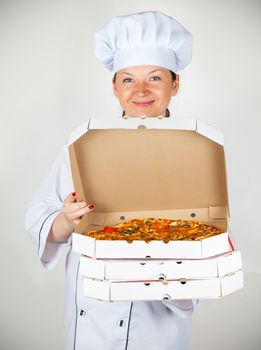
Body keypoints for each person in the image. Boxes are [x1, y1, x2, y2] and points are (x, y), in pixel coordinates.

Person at [25, 11, 197, 350]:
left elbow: (206, 238)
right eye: (128, 80)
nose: (141, 90)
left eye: (155, 78)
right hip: (90, 322)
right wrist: (66, 219)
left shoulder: (195, 152)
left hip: (155, 326)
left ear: (175, 84)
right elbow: (40, 215)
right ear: (115, 87)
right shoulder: (83, 144)